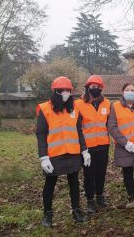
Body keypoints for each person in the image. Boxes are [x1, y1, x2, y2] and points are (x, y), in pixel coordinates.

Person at [36, 76, 91, 228]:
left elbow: (79, 131)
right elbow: (40, 134)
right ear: (55, 92)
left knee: (74, 183)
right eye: (62, 91)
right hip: (53, 154)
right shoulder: (45, 109)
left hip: (72, 153)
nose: (65, 93)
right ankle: (47, 214)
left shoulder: (74, 108)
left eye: (68, 90)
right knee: (50, 184)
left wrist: (84, 150)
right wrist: (43, 157)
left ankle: (76, 210)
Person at [75, 75, 111, 214]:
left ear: (101, 89)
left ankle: (99, 196)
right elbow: (77, 127)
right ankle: (90, 201)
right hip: (87, 147)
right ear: (88, 87)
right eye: (93, 87)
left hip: (103, 145)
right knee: (89, 174)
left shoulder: (107, 103)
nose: (95, 89)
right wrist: (82, 147)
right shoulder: (78, 104)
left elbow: (110, 123)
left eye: (98, 87)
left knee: (101, 173)